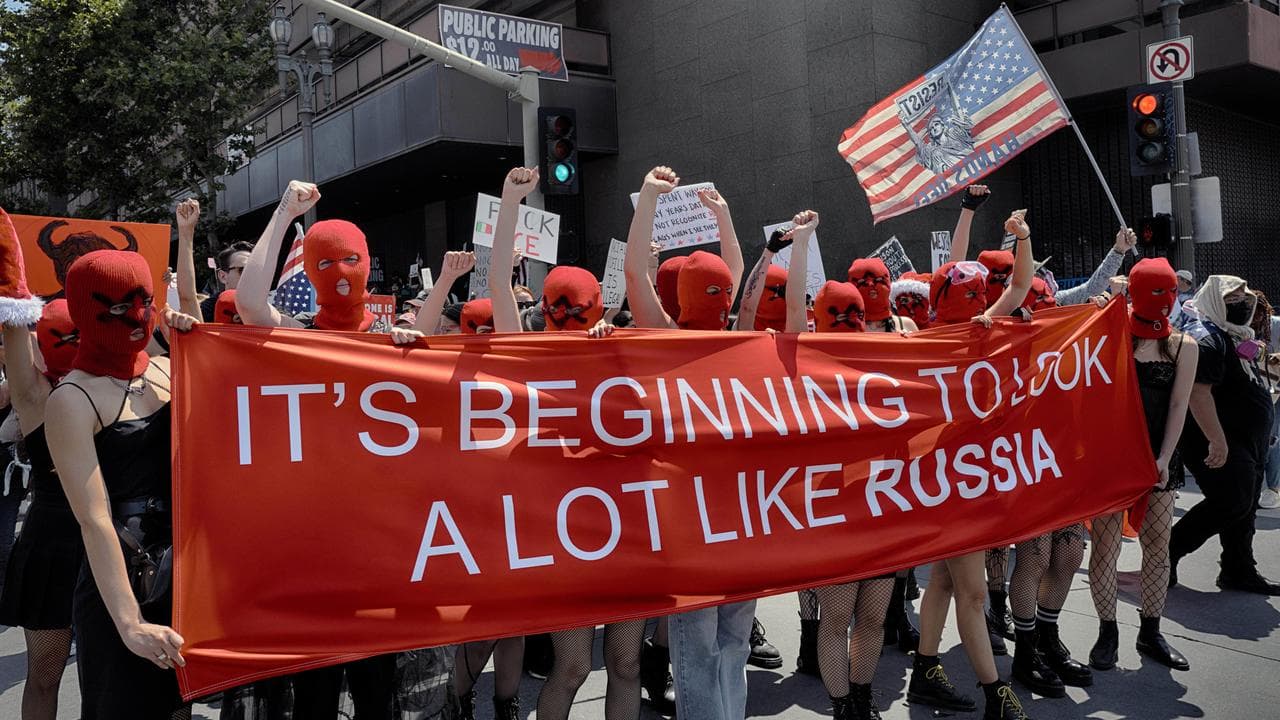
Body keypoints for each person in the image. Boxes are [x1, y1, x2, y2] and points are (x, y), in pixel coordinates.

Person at [235, 181, 428, 718]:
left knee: (375, 689)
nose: (341, 274)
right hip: (314, 544)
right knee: (314, 694)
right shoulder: (297, 335)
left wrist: (415, 360)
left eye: (350, 260)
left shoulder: (395, 343)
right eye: (325, 264)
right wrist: (283, 212)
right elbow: (251, 303)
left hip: (382, 544)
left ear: (368, 263)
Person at [484, 165, 641, 720]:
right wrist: (509, 201)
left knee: (626, 663)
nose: (572, 319)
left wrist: (612, 345)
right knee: (572, 667)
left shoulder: (616, 348)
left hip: (626, 526)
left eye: (582, 308)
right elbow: (500, 282)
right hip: (564, 533)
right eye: (561, 308)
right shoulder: (524, 351)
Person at [624, 165, 757, 720]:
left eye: (723, 293)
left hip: (740, 518)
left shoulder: (736, 339)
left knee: (732, 641)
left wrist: (720, 214)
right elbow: (635, 270)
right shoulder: (665, 340)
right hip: (692, 525)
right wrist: (651, 201)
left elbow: (740, 273)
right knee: (700, 645)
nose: (721, 298)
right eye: (712, 291)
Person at [41, 249, 196, 719]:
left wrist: (202, 341)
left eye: (145, 302)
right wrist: (129, 622)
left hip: (184, 570)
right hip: (123, 578)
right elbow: (93, 518)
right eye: (116, 308)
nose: (136, 318)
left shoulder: (170, 368)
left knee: (176, 707)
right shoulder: (71, 398)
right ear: (89, 312)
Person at [907, 210, 1035, 720]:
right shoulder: (921, 344)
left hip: (976, 476)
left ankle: (925, 669)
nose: (982, 301)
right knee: (975, 593)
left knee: (943, 581)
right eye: (971, 294)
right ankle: (994, 695)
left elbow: (1021, 283)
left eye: (982, 293)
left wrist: (1021, 238)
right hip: (949, 482)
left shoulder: (988, 329)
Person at [785, 211, 894, 720]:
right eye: (839, 313)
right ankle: (842, 706)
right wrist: (802, 243)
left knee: (873, 617)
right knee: (835, 617)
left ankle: (864, 697)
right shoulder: (803, 357)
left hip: (885, 504)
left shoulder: (890, 356)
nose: (851, 321)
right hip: (831, 507)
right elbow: (790, 315)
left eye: (857, 312)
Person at [1087, 258, 1197, 672]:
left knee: (1157, 546)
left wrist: (1165, 459)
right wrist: (1108, 303)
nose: (1166, 300)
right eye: (1156, 290)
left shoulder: (1184, 345)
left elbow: (1178, 405)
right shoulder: (1110, 333)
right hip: (1112, 461)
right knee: (1106, 550)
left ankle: (1151, 632)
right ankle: (1107, 631)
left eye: (1171, 291)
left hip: (1159, 459)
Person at [0, 210, 85, 720]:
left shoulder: (138, 384)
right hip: (58, 549)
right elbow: (15, 334)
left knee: (119, 678)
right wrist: (11, 277)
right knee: (45, 678)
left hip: (115, 550)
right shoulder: (36, 395)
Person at [1169, 275, 1280, 595]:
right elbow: (1198, 393)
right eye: (1234, 299)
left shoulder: (1230, 335)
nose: (1245, 304)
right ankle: (1166, 555)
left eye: (1247, 297)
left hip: (1247, 440)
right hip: (1219, 440)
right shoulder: (1206, 337)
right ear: (1216, 302)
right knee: (1232, 501)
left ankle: (1238, 567)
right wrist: (1217, 440)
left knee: (1245, 508)